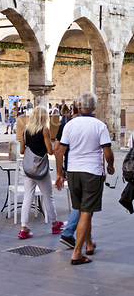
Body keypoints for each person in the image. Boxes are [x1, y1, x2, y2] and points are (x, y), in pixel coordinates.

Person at [55, 92, 115, 265]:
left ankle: (89, 244)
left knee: (82, 211)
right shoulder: (100, 126)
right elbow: (108, 152)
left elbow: (60, 151)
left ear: (78, 107)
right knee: (87, 212)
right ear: (95, 108)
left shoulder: (69, 125)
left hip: (73, 172)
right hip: (92, 173)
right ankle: (77, 253)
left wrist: (60, 173)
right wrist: (110, 165)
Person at [18, 106, 63, 239]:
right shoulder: (45, 130)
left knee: (28, 196)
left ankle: (24, 228)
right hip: (41, 169)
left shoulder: (25, 131)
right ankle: (55, 224)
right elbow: (49, 151)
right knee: (48, 196)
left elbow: (21, 150)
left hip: (27, 169)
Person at [54, 101, 79, 249]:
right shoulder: (96, 124)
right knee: (83, 205)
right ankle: (69, 233)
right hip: (89, 170)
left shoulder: (65, 126)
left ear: (71, 111)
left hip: (71, 168)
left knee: (81, 204)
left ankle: (88, 242)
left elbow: (57, 150)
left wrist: (60, 172)